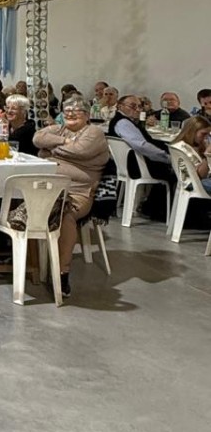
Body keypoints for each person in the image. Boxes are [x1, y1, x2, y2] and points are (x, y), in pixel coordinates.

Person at [33, 97, 110, 299]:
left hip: (78, 192)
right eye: (67, 111)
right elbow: (38, 138)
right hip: (48, 187)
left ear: (86, 115)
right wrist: (64, 141)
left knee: (65, 214)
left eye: (75, 111)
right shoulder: (61, 130)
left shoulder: (94, 133)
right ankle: (28, 262)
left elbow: (81, 151)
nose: (70, 114)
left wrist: (50, 150)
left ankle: (61, 273)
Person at [109, 94, 173, 219]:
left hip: (128, 165)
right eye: (133, 106)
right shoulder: (123, 123)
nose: (137, 109)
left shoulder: (125, 121)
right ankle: (163, 212)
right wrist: (167, 158)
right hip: (137, 166)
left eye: (139, 106)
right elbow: (142, 146)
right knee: (177, 172)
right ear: (120, 106)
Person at [171, 116, 211, 194]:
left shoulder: (198, 146)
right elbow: (199, 176)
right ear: (192, 132)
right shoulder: (182, 148)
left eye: (208, 135)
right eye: (203, 134)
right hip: (192, 183)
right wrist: (207, 154)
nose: (205, 138)